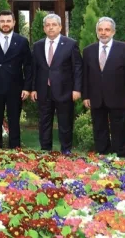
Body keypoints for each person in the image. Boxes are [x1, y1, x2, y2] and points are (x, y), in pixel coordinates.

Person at [81, 17, 125, 157]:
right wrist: (85, 95)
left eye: (107, 30)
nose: (103, 33)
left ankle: (121, 158)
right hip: (96, 97)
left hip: (118, 97)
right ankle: (103, 156)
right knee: (99, 129)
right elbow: (85, 75)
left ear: (113, 32)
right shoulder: (88, 51)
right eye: (100, 30)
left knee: (120, 130)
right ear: (96, 32)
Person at [31, 14, 82, 155]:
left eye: (54, 25)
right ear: (44, 28)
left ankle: (66, 150)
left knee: (65, 123)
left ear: (60, 27)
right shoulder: (37, 46)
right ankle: (45, 151)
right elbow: (34, 69)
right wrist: (33, 88)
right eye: (47, 25)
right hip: (43, 91)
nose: (50, 27)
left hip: (65, 90)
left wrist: (77, 89)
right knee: (44, 122)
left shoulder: (71, 44)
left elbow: (77, 68)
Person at [0, 10, 32, 149]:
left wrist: (27, 87)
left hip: (15, 88)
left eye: (8, 21)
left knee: (14, 121)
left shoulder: (22, 41)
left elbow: (28, 66)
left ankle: (15, 150)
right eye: (2, 21)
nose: (5, 24)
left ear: (14, 23)